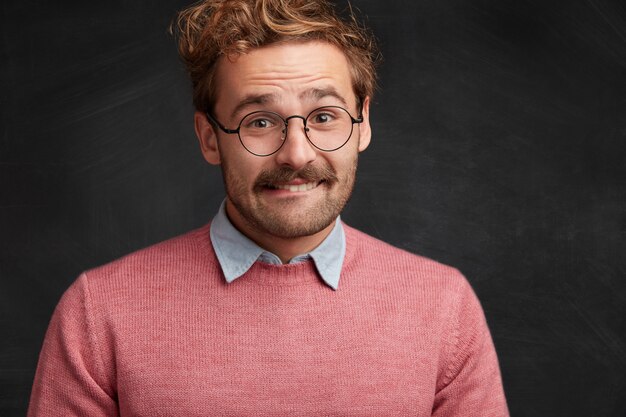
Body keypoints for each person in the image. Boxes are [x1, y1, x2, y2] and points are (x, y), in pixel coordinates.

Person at [28, 0, 509, 415]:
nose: (297, 154)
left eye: (324, 116)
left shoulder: (445, 307)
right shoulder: (98, 313)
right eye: (259, 121)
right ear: (209, 138)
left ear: (362, 124)